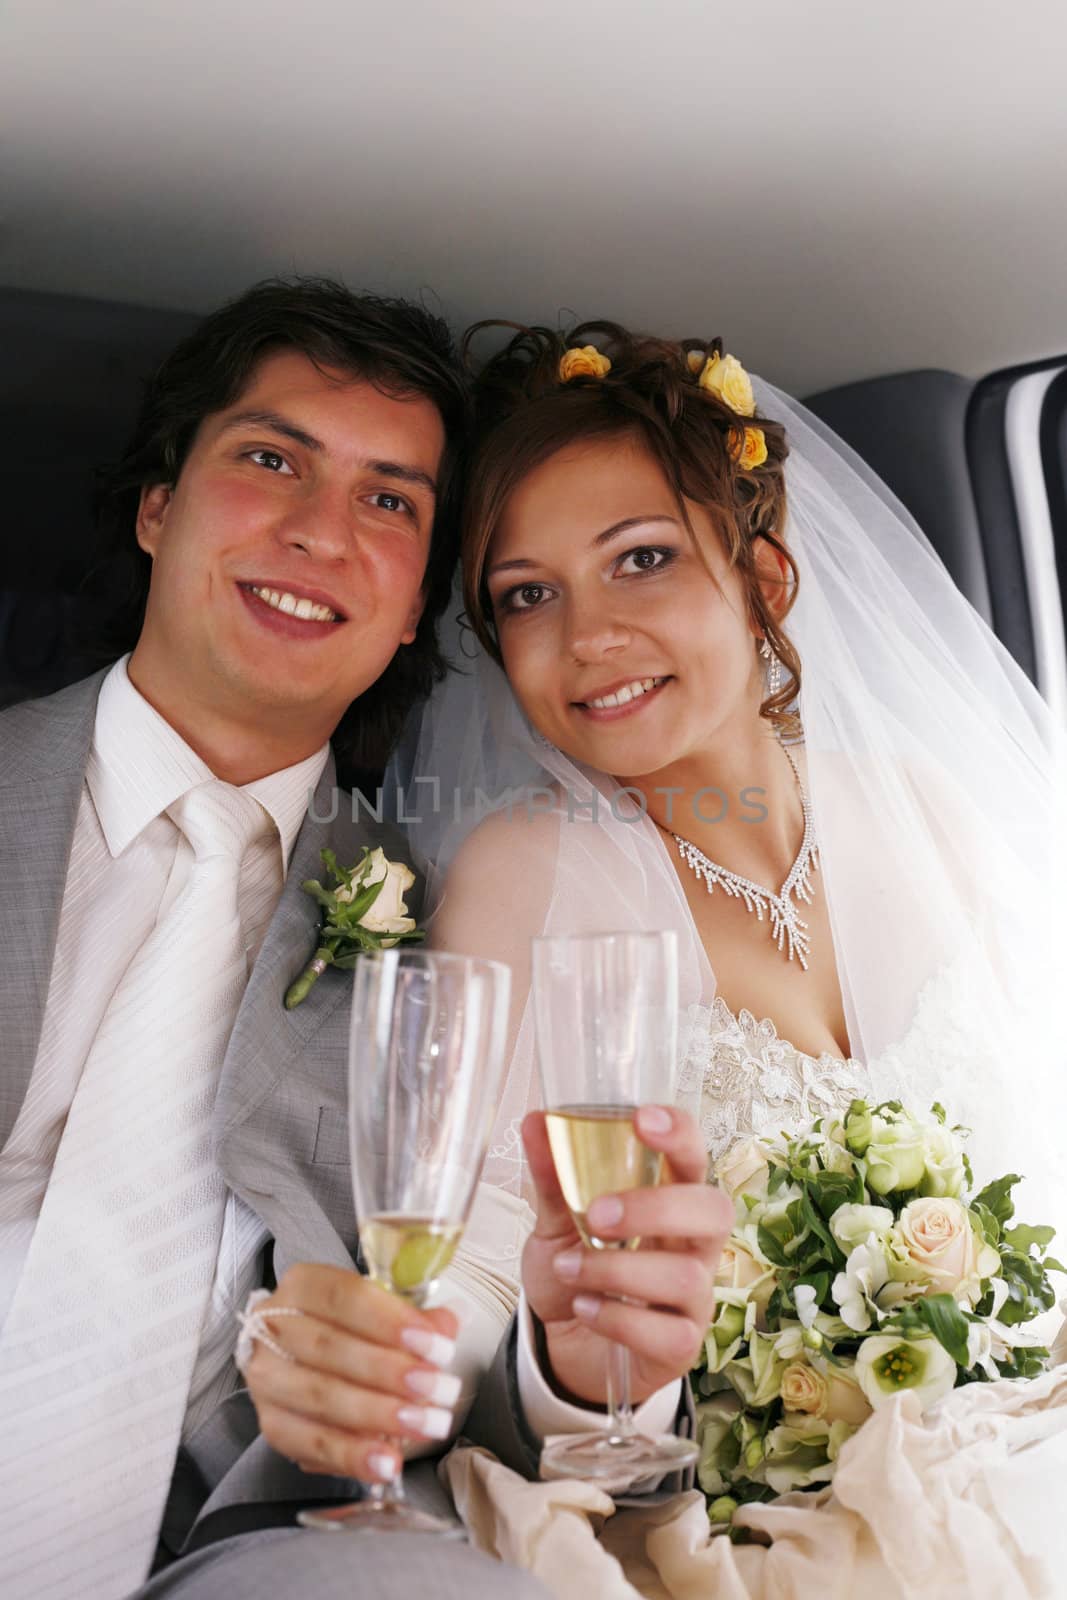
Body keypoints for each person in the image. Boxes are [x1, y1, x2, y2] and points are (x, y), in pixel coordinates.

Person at [0, 276, 567, 1600]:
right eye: (271, 460)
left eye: (388, 501)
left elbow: (471, 1337)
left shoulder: (448, 935)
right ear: (157, 506)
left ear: (420, 593)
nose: (321, 532)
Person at [403, 319, 1067, 1448]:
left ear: (761, 575)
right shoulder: (524, 878)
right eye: (525, 595)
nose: (587, 635)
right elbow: (467, 1271)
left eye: (640, 559)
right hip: (738, 1511)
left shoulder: (928, 812)